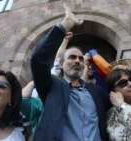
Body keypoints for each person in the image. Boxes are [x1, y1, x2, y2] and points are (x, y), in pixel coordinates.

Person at [31, 3, 109, 141]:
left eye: (80, 58)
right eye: (72, 57)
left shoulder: (95, 91)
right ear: (60, 65)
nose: (78, 61)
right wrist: (65, 25)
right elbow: (38, 59)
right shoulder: (51, 86)